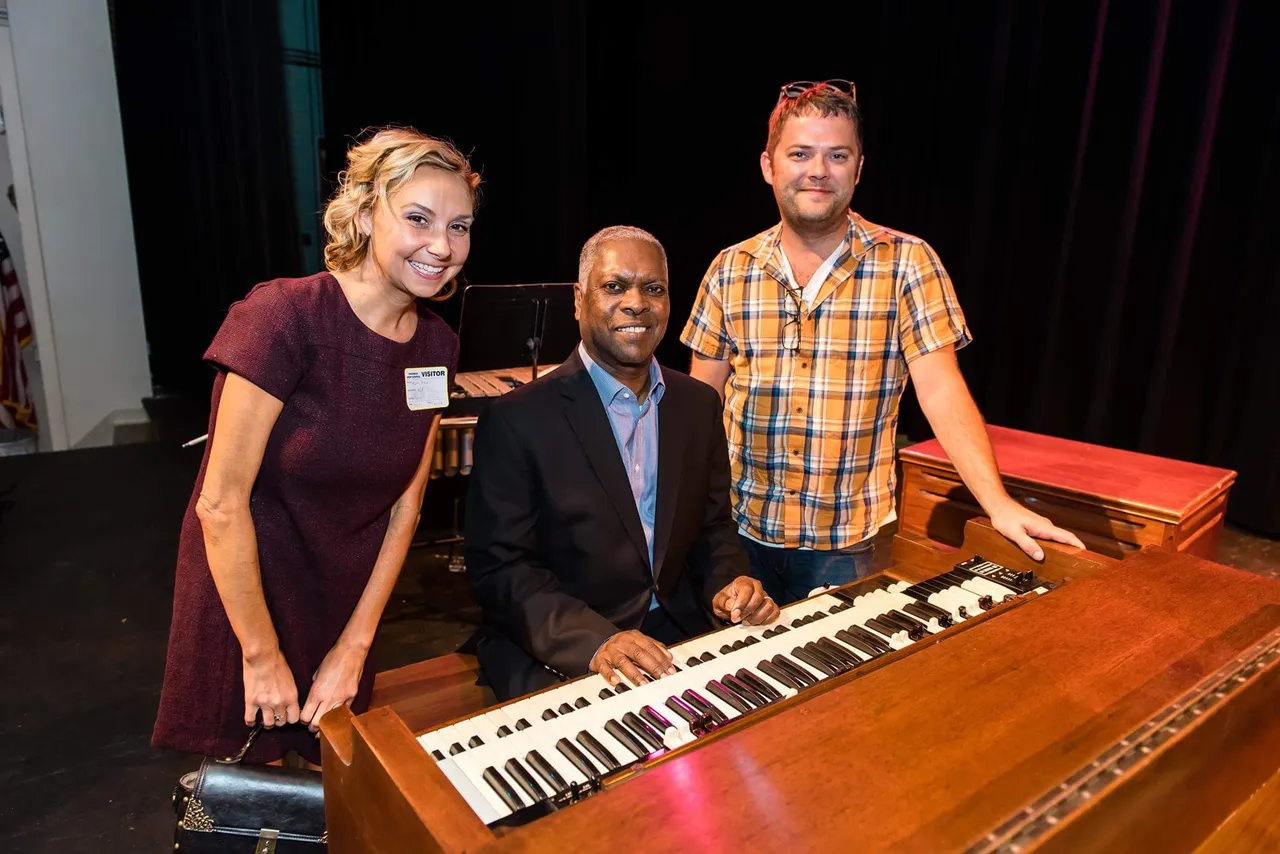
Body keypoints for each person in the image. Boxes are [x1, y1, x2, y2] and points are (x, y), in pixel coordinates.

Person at [681, 80, 1083, 605]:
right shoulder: (729, 267)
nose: (818, 170)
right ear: (768, 166)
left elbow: (942, 391)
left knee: (843, 686)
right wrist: (687, 524)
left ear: (859, 168)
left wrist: (998, 503)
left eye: (837, 155)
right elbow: (700, 406)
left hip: (848, 547)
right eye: (800, 153)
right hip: (737, 536)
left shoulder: (908, 262)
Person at [152, 127, 479, 767]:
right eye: (418, 219)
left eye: (460, 226)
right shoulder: (284, 317)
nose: (442, 247)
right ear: (363, 213)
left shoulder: (438, 345)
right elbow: (219, 505)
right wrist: (261, 652)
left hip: (342, 604)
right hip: (248, 601)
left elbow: (404, 509)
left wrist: (355, 644)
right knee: (250, 805)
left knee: (335, 804)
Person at [464, 225, 779, 702]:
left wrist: (728, 585)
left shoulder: (697, 404)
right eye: (614, 286)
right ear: (578, 300)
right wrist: (597, 642)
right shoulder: (516, 419)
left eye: (653, 288)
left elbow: (712, 529)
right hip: (566, 648)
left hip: (679, 631)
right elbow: (501, 569)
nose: (636, 303)